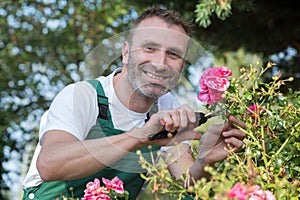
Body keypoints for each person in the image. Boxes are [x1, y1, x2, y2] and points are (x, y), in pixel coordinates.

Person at [22, 7, 246, 200]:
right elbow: (49, 165)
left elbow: (188, 181)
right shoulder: (83, 95)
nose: (160, 64)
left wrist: (206, 159)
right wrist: (140, 136)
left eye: (174, 54)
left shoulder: (167, 104)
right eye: (149, 48)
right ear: (126, 52)